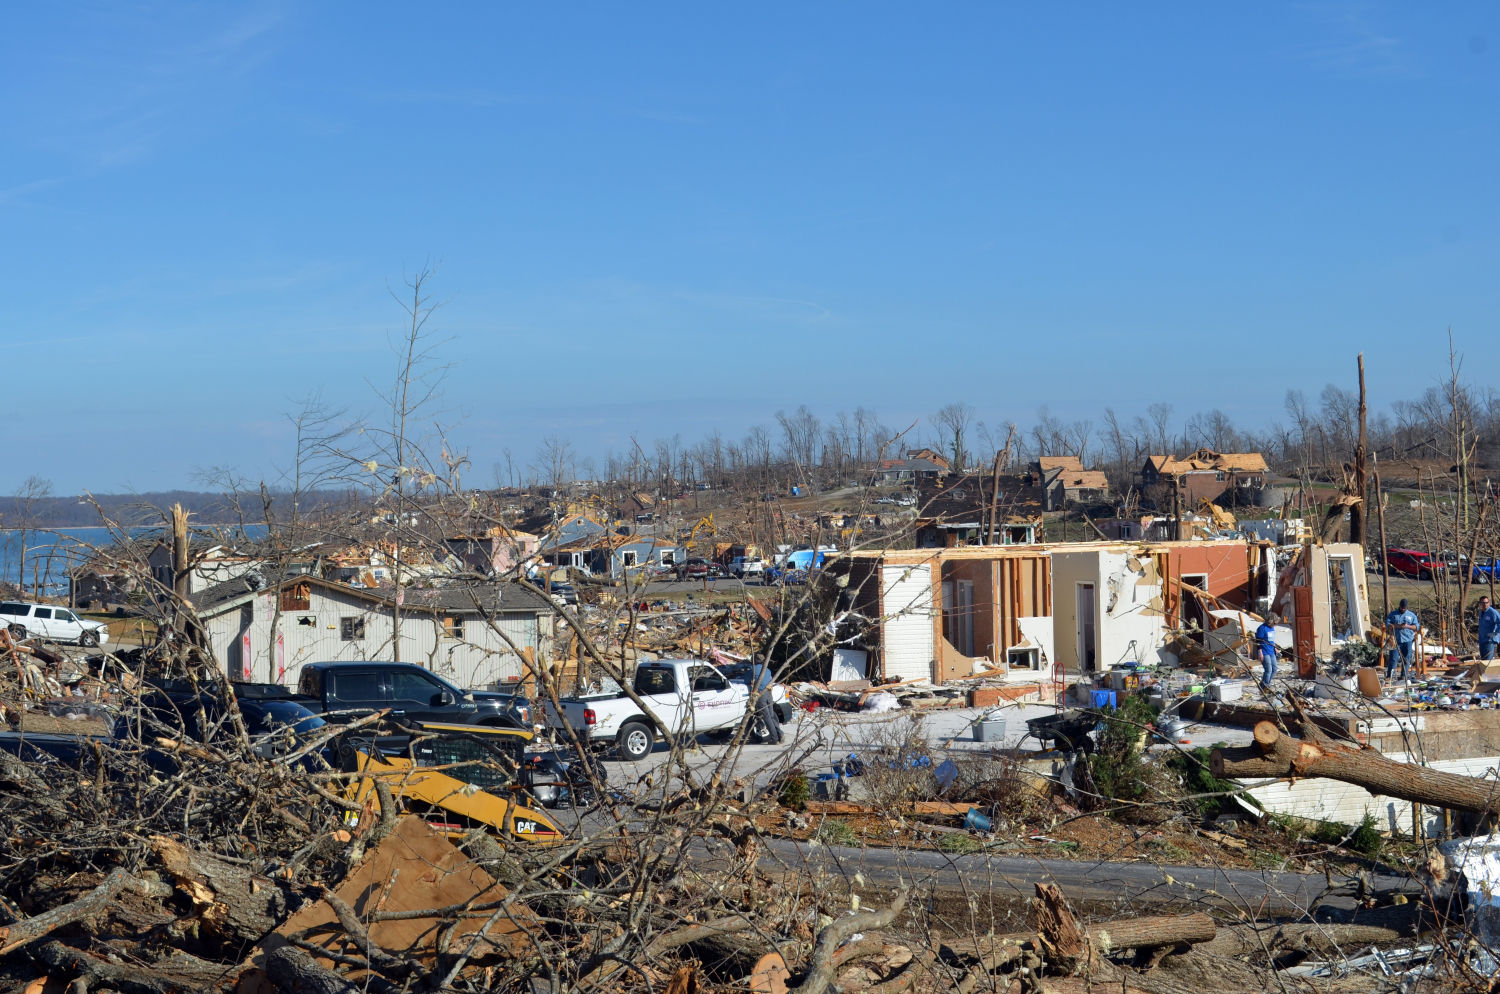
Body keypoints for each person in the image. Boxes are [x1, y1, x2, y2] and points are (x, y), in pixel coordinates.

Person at [1385, 598, 1420, 681]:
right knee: (1393, 658)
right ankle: (1390, 676)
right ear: (1399, 606)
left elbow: (1416, 627)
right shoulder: (1393, 614)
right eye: (1402, 608)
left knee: (1406, 658)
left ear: (1407, 607)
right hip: (1395, 640)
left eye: (1405, 608)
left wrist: (1407, 626)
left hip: (1407, 640)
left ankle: (1403, 675)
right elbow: (1388, 624)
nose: (1403, 609)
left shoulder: (1412, 615)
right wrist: (1397, 626)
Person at [1254, 614, 1279, 691]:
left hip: (1271, 651)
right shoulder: (1262, 628)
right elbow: (1258, 641)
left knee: (1274, 669)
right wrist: (1260, 652)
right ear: (1270, 621)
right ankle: (1265, 686)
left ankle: (1263, 684)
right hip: (1264, 652)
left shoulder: (1272, 628)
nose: (1275, 624)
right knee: (1268, 670)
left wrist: (1275, 647)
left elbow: (1271, 640)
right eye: (1274, 623)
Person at [1479, 596, 1500, 661]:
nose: (1485, 604)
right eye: (1483, 603)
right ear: (1480, 604)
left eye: (1486, 602)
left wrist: (1495, 634)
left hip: (1489, 641)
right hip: (1482, 641)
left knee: (1487, 661)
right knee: (1483, 661)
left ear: (1489, 603)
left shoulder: (1493, 612)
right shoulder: (1481, 613)